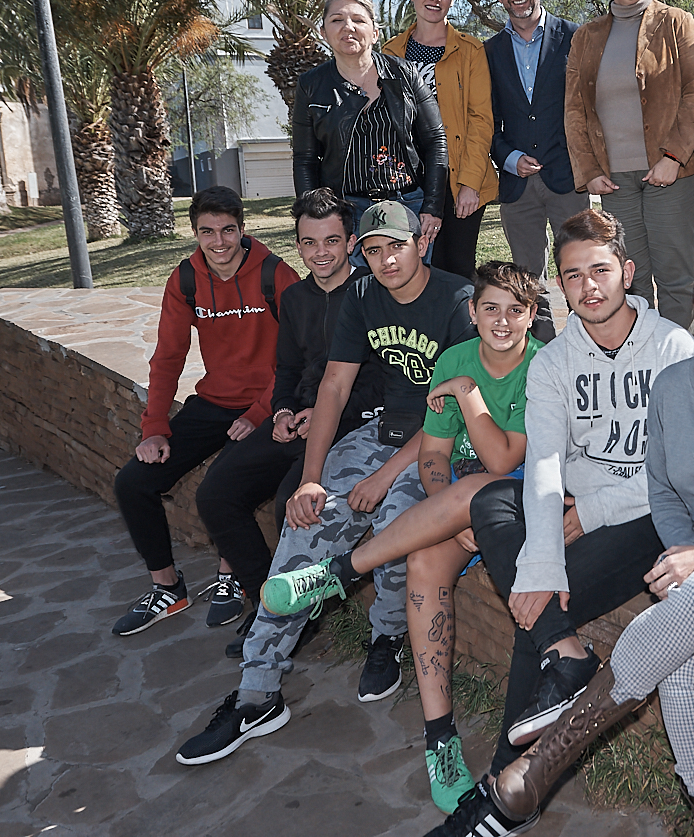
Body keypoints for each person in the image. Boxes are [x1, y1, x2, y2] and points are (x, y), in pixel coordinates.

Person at [430, 250, 694, 837]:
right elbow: (662, 491)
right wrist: (683, 553)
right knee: (681, 671)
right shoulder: (672, 386)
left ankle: (535, 771)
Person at [175, 201, 474, 765]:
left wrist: (384, 477)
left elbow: (455, 412)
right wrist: (310, 481)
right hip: (381, 432)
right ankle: (256, 693)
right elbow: (334, 387)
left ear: (421, 244)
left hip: (442, 446)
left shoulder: (457, 300)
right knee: (305, 525)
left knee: (397, 523)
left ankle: (386, 637)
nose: (386, 260)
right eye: (374, 250)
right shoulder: (362, 296)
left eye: (397, 246)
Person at [257, 260, 544, 813]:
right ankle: (441, 741)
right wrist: (443, 505)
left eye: (515, 310)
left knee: (477, 487)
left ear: (532, 315)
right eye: (490, 308)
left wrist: (468, 395)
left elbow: (503, 459)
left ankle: (341, 572)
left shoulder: (539, 366)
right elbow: (433, 455)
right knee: (422, 563)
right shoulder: (456, 359)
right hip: (460, 501)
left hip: (519, 493)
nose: (502, 321)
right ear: (472, 311)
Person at [463, 210, 694, 785]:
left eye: (600, 270)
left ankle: (505, 783)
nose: (588, 286)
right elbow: (543, 465)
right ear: (559, 284)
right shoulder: (552, 362)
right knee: (493, 504)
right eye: (573, 275)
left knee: (539, 612)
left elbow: (679, 472)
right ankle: (565, 657)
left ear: (627, 272)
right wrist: (541, 560)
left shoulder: (673, 347)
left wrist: (593, 513)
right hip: (581, 510)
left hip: (650, 518)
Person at [194, 188, 383, 654]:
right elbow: (289, 368)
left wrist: (325, 413)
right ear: (297, 246)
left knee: (290, 503)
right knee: (216, 493)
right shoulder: (296, 298)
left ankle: (295, 617)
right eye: (309, 242)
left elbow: (384, 378)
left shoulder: (374, 294)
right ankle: (270, 601)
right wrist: (280, 412)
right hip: (296, 418)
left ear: (351, 242)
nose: (321, 253)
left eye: (332, 241)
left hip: (350, 422)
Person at [110, 186, 300, 637]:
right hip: (215, 401)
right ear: (194, 232)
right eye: (207, 232)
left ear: (242, 229)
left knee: (223, 485)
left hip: (270, 404)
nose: (219, 242)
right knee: (133, 482)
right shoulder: (185, 280)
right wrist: (154, 427)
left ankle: (234, 579)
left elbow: (298, 357)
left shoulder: (276, 275)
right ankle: (167, 588)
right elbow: (168, 357)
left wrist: (259, 413)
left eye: (228, 230)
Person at [565, 0, 694, 325]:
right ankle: (638, 357)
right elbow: (575, 109)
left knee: (676, 277)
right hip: (615, 181)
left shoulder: (677, 22)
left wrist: (673, 156)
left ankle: (680, 357)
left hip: (671, 173)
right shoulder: (586, 37)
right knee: (630, 279)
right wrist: (589, 170)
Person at [292, 0, 449, 251]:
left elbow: (436, 141)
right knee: (354, 280)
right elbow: (305, 158)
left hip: (407, 207)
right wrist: (312, 216)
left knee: (409, 278)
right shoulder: (310, 85)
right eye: (337, 20)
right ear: (323, 32)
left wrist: (432, 207)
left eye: (358, 20)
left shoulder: (405, 74)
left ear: (375, 32)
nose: (348, 27)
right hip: (344, 213)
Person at [486, 0, 584, 343]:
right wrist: (508, 158)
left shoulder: (576, 37)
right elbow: (485, 121)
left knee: (579, 271)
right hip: (516, 185)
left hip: (568, 178)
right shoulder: (488, 52)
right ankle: (542, 355)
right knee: (528, 282)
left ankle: (586, 351)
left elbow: (588, 110)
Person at [384, 0, 498, 279]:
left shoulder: (471, 51)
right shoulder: (390, 53)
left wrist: (470, 184)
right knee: (415, 270)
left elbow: (481, 120)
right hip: (410, 182)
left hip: (460, 178)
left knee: (457, 271)